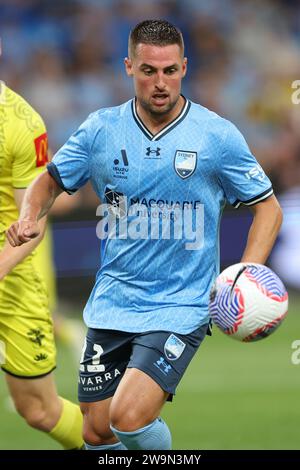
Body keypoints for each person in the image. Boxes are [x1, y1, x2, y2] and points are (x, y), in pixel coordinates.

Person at [7, 19, 283, 450]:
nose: (160, 82)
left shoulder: (216, 135)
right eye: (149, 71)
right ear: (128, 67)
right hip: (113, 300)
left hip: (181, 303)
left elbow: (267, 208)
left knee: (128, 417)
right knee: (97, 432)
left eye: (170, 70)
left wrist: (246, 271)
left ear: (185, 68)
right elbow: (49, 181)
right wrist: (30, 216)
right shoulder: (101, 130)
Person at [0, 75, 84, 449]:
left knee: (37, 410)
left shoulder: (20, 121)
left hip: (12, 277)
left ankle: (119, 450)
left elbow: (33, 222)